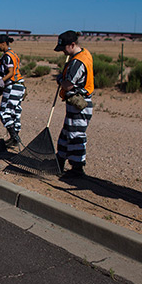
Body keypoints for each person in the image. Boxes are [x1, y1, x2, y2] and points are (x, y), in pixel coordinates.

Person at [54, 30, 94, 177]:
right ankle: (59, 161)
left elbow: (69, 85)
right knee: (66, 133)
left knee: (76, 135)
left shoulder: (78, 61)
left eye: (64, 48)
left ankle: (77, 168)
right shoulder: (82, 54)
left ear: (72, 45)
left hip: (79, 104)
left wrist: (59, 80)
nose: (63, 52)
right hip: (74, 104)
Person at [0, 34, 25, 147]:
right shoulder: (11, 54)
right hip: (18, 86)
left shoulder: (8, 56)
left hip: (13, 86)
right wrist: (0, 88)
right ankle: (14, 139)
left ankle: (14, 137)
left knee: (4, 112)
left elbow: (11, 73)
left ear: (3, 43)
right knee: (14, 113)